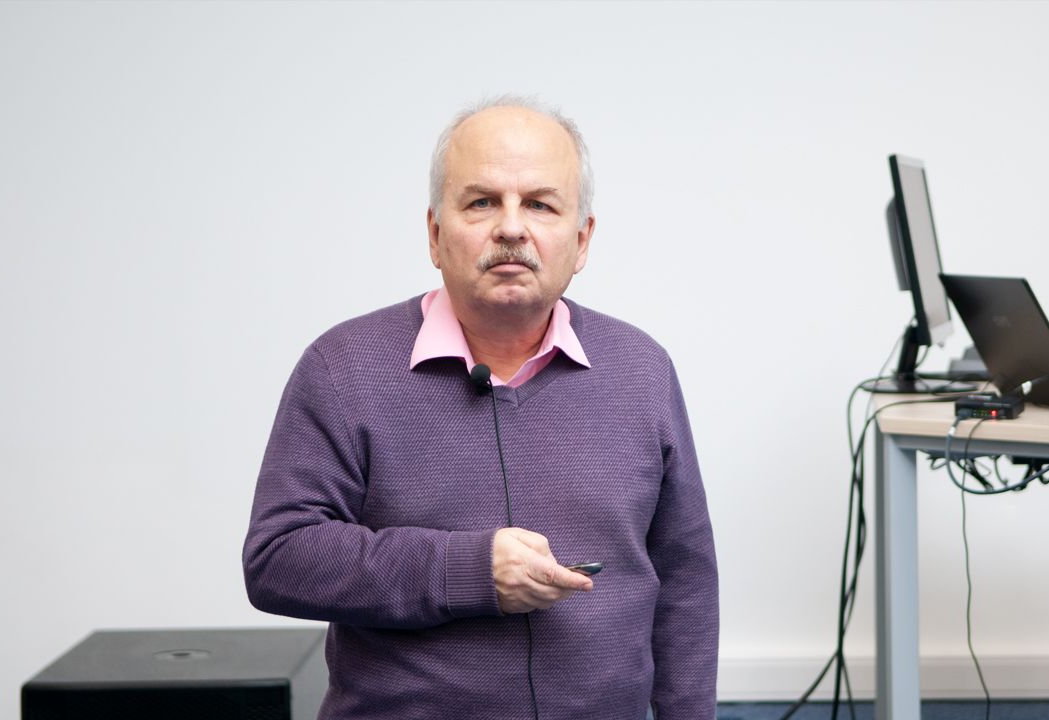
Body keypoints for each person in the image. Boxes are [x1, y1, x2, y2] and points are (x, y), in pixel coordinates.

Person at [242, 95, 719, 719]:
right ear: (435, 235)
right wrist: (466, 570)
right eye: (482, 202)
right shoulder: (343, 367)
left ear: (581, 241)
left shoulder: (642, 370)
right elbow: (279, 559)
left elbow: (685, 582)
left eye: (540, 204)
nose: (512, 228)